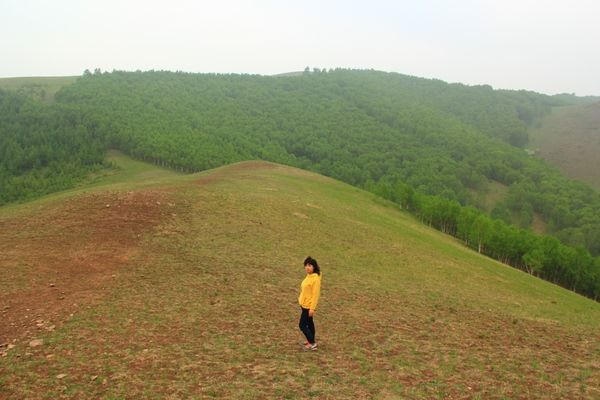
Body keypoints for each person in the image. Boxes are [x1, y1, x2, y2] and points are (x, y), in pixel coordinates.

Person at [298, 256, 322, 351]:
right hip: (304, 304)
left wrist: (312, 308)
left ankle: (312, 343)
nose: (307, 267)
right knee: (309, 323)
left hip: (308, 306)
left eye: (310, 265)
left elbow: (315, 295)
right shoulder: (309, 276)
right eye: (306, 265)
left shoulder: (315, 279)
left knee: (302, 325)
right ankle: (310, 340)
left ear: (314, 267)